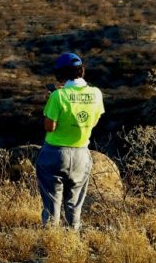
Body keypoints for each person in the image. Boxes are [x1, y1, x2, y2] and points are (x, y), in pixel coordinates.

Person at [36, 52, 105, 230]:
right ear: (82, 70)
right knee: (74, 205)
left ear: (61, 75)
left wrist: (53, 100)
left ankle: (51, 243)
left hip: (55, 153)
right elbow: (93, 122)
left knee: (52, 204)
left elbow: (49, 127)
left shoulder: (58, 96)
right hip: (82, 154)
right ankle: (72, 243)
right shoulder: (96, 94)